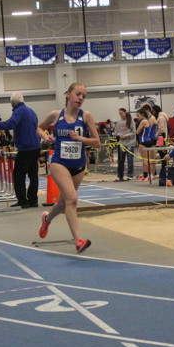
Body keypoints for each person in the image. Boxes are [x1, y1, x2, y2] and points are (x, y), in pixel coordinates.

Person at [36, 82, 101, 254]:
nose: (81, 98)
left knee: (63, 202)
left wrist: (81, 139)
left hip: (78, 165)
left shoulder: (86, 116)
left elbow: (97, 142)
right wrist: (45, 136)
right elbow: (39, 128)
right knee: (72, 199)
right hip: (60, 163)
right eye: (78, 94)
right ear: (68, 94)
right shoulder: (56, 115)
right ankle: (79, 240)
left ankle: (47, 220)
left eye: (84, 96)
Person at [0, 92, 41, 208]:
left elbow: (10, 124)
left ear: (13, 103)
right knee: (33, 175)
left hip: (25, 148)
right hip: (35, 147)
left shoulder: (18, 111)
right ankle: (33, 200)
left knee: (18, 174)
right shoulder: (31, 111)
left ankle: (22, 200)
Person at [135, 106, 157, 181]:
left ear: (142, 114)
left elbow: (137, 131)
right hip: (149, 140)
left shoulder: (143, 121)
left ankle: (148, 175)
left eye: (138, 115)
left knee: (145, 160)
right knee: (150, 159)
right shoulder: (148, 121)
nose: (137, 117)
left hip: (143, 141)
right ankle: (150, 175)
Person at [114, 108, 135, 181]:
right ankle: (120, 175)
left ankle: (130, 175)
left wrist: (126, 135)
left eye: (121, 113)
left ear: (125, 113)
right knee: (120, 160)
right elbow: (115, 132)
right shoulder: (118, 122)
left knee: (130, 160)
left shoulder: (131, 121)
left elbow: (133, 132)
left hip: (130, 143)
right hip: (122, 144)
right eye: (119, 114)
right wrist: (120, 135)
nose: (120, 115)